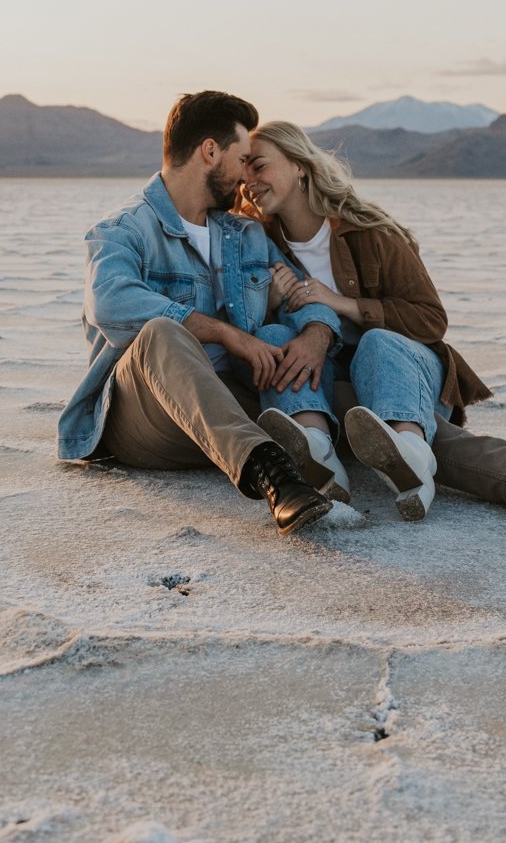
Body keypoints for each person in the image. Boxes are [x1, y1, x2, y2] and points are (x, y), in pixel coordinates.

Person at [238, 119, 506, 521]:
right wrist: (271, 301)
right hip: (329, 395)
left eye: (259, 166)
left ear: (299, 165)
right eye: (242, 176)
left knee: (378, 343)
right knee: (275, 334)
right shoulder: (256, 245)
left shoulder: (371, 231)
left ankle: (410, 452)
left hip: (401, 374)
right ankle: (325, 453)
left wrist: (344, 304)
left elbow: (430, 322)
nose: (249, 183)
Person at [56, 91, 350, 534]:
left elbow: (307, 297)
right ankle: (273, 473)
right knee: (161, 332)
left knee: (350, 395)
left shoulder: (246, 234)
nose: (246, 176)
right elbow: (111, 304)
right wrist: (226, 334)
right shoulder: (122, 230)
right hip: (148, 418)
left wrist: (315, 336)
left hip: (232, 402)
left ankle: (478, 472)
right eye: (242, 159)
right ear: (210, 151)